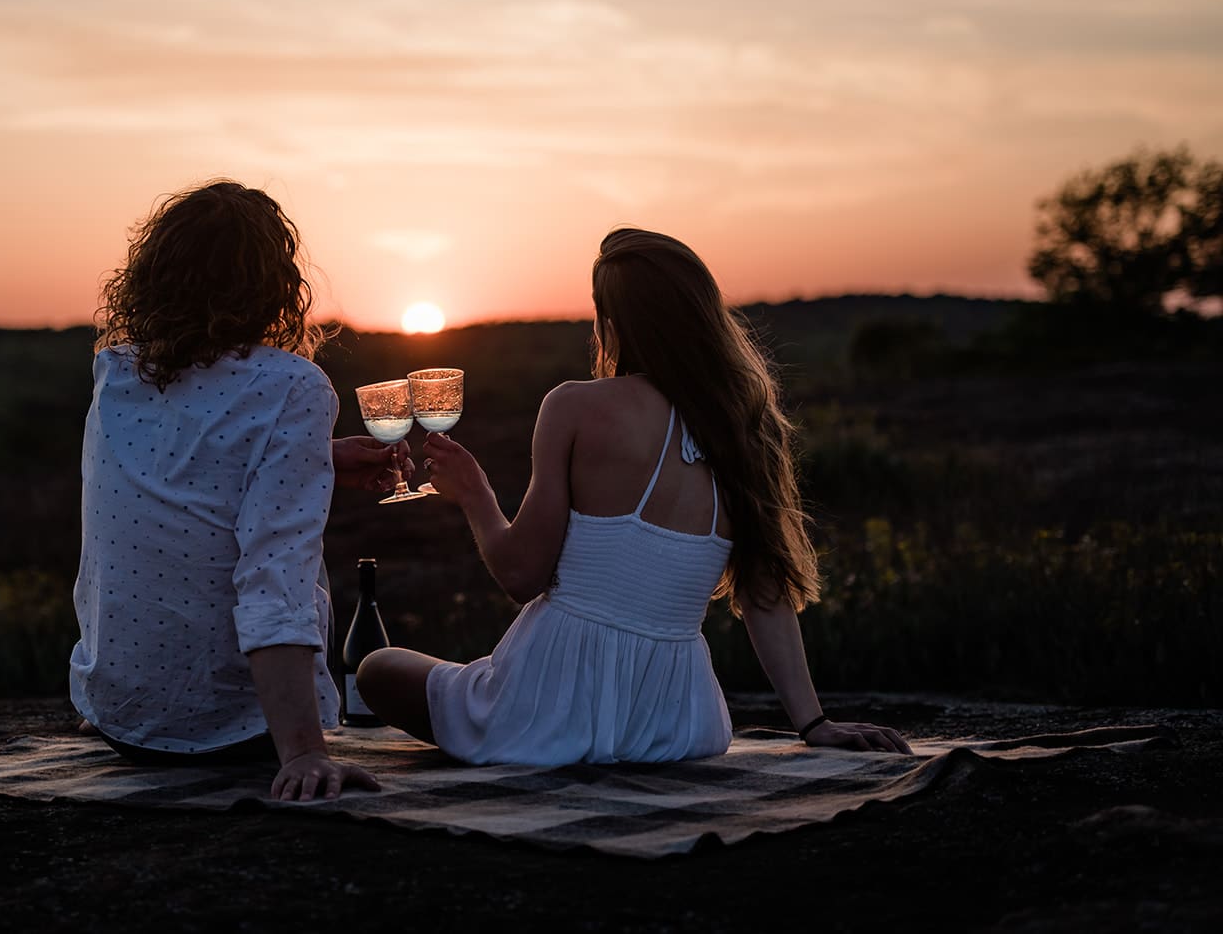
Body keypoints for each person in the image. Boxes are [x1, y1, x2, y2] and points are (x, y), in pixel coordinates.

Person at [356, 227, 913, 765]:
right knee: (456, 671)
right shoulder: (746, 424)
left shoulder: (573, 405)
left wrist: (474, 492)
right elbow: (765, 592)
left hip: (547, 714)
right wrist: (814, 723)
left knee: (378, 669)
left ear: (611, 319)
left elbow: (521, 575)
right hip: (681, 724)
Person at [68, 179, 399, 801]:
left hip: (120, 717)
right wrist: (302, 753)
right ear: (275, 284)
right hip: (236, 732)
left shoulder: (115, 374)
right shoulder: (292, 386)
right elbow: (274, 576)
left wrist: (316, 458)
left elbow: (169, 487)